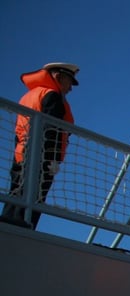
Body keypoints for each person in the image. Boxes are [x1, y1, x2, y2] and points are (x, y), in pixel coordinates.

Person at [3, 62, 78, 229]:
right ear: (59, 77)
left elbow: (20, 129)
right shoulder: (52, 96)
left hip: (21, 152)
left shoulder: (29, 96)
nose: (70, 88)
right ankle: (22, 231)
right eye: (69, 82)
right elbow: (51, 130)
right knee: (34, 198)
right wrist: (52, 159)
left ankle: (9, 227)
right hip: (41, 157)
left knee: (16, 193)